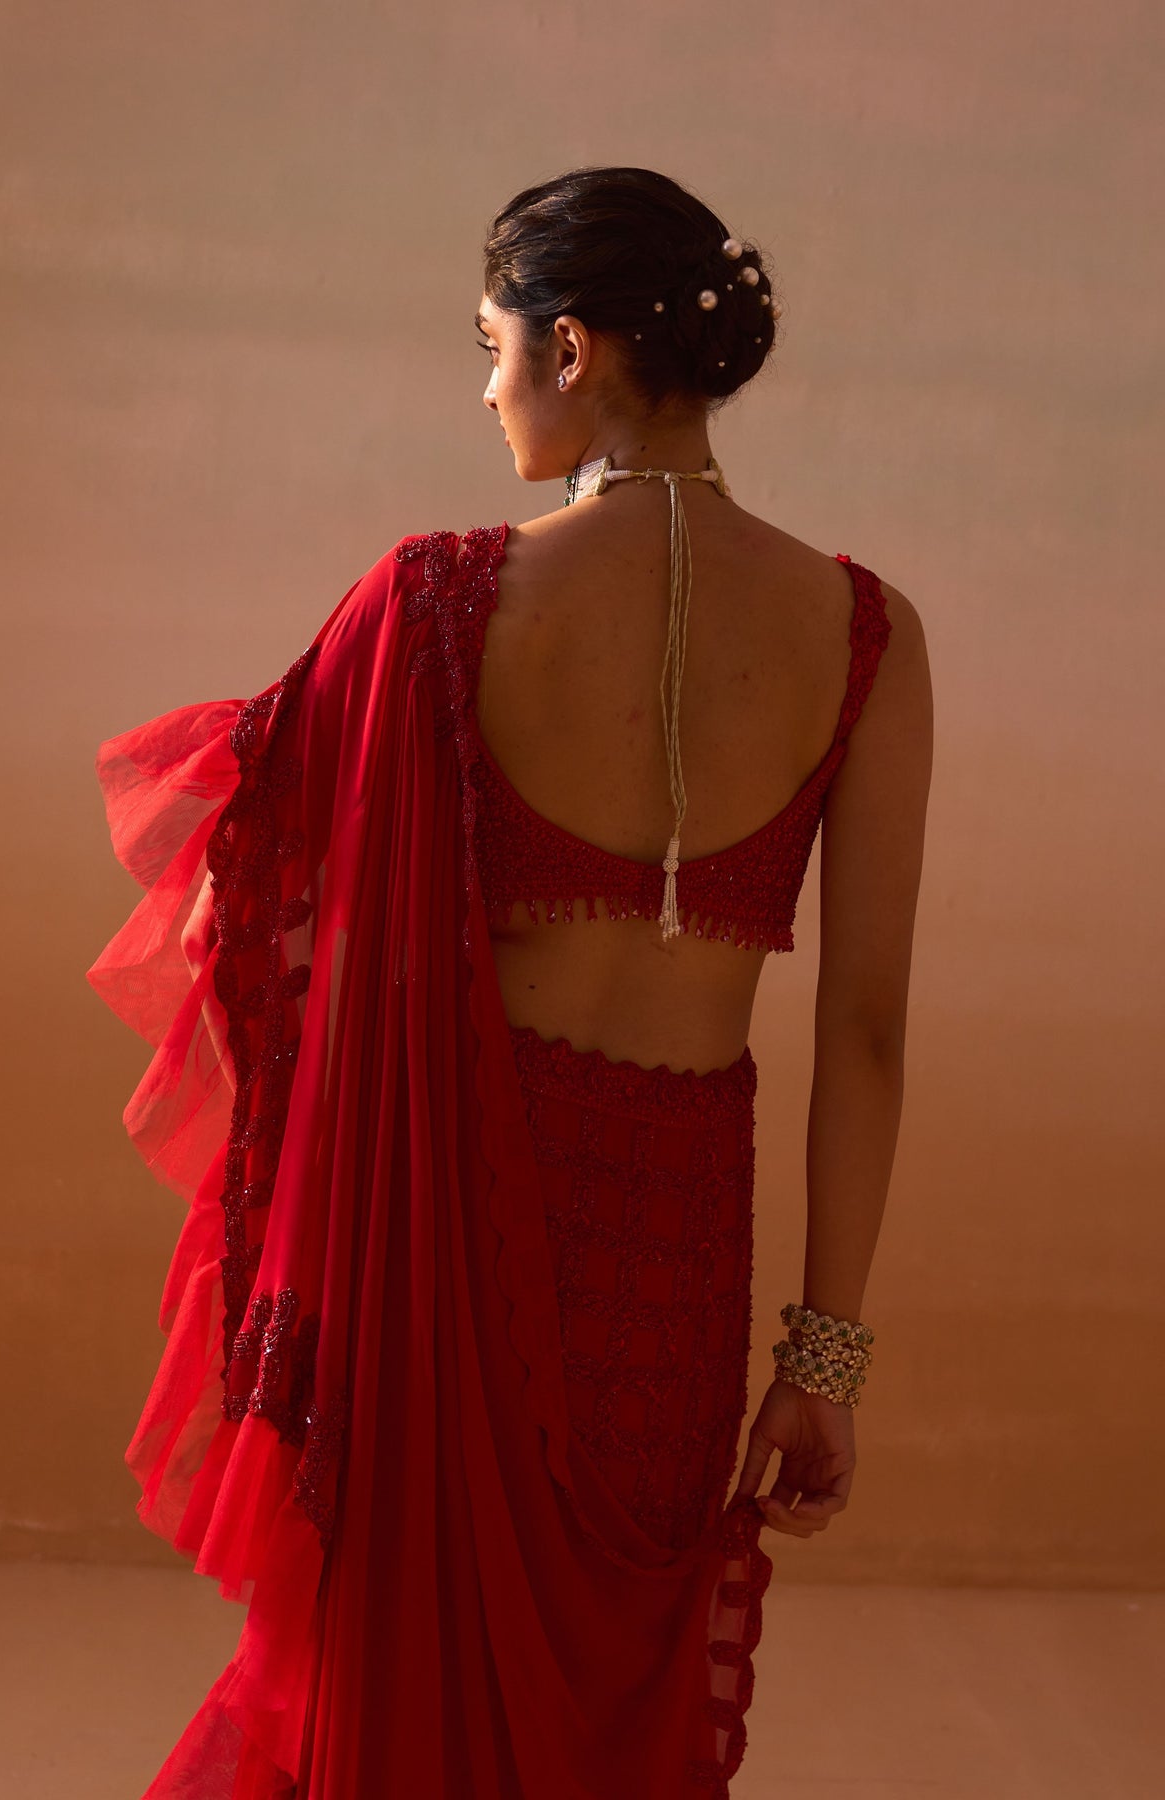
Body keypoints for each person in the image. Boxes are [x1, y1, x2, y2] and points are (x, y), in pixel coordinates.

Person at [87, 165, 933, 1800]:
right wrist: (821, 1359)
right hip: (674, 1254)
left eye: (490, 347)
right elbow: (870, 1028)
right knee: (615, 1698)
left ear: (572, 347)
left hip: (452, 1241)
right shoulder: (869, 636)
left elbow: (243, 874)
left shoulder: (437, 604)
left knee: (403, 1678)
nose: (484, 391)